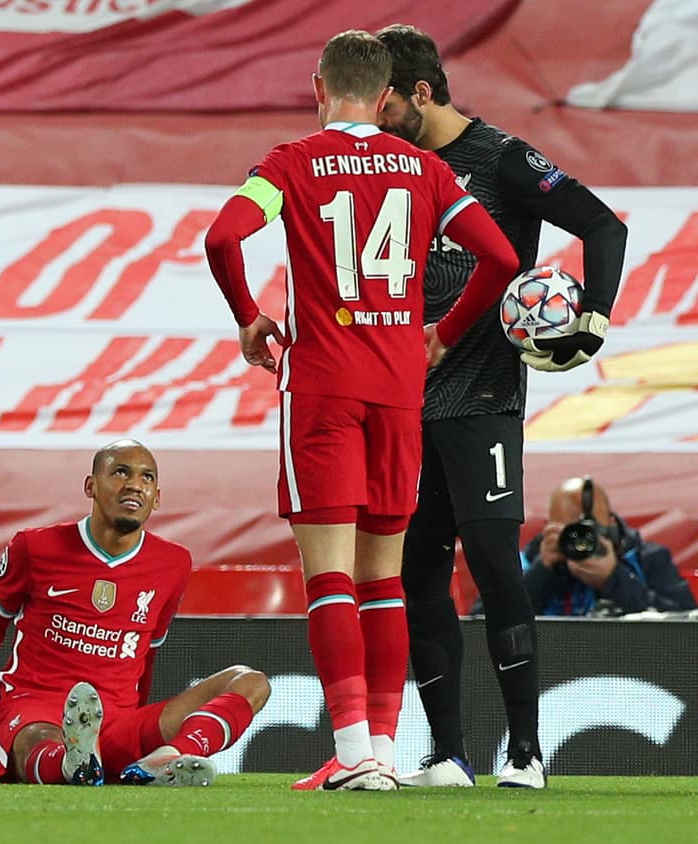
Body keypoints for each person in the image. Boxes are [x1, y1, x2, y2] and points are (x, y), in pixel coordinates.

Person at [204, 30, 519, 791]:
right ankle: (378, 749)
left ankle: (351, 753)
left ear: (319, 88)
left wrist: (248, 317)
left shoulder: (289, 163)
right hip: (399, 389)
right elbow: (503, 257)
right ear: (384, 98)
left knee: (330, 579)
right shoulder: (426, 168)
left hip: (323, 387)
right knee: (384, 580)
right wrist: (443, 333)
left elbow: (222, 237)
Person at [374, 24, 629, 789]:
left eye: (386, 105)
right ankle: (448, 754)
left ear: (422, 93)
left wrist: (593, 318)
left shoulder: (501, 159)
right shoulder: (388, 167)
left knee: (493, 566)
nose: (376, 121)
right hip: (404, 403)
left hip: (483, 395)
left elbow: (602, 223)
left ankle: (524, 752)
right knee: (419, 574)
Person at [0, 440, 271, 787]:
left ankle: (168, 758)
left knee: (251, 682)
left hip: (118, 722)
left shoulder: (174, 563)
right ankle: (71, 763)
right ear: (90, 486)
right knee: (37, 738)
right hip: (35, 708)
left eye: (146, 477)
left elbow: (146, 656)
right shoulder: (34, 547)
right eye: (121, 472)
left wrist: (134, 732)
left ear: (157, 498)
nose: (135, 484)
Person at [519, 478, 696, 617]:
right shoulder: (531, 558)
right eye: (571, 531)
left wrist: (613, 578)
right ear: (550, 527)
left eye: (590, 531)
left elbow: (684, 620)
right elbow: (509, 616)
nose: (581, 541)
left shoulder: (648, 558)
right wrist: (542, 570)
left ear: (611, 524)